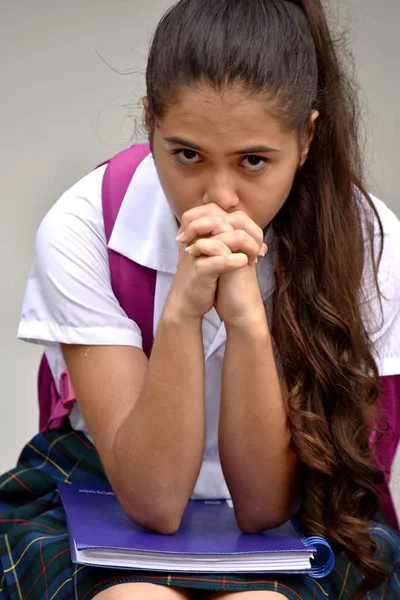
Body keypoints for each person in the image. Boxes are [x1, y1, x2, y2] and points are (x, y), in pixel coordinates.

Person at [1, 0, 399, 598]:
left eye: (254, 162)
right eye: (186, 154)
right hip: (105, 488)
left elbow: (264, 507)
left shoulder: (370, 244)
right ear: (150, 124)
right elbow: (154, 501)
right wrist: (183, 311)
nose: (218, 198)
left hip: (306, 506)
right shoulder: (85, 225)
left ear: (308, 138)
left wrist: (247, 323)